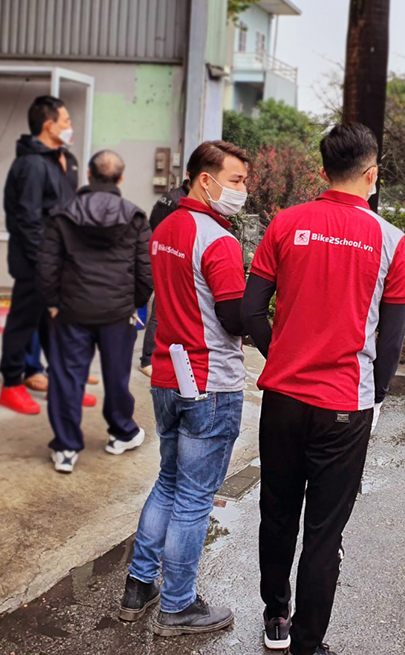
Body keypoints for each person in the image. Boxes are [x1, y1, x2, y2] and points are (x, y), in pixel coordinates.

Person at [243, 122, 405, 655]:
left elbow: (251, 310)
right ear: (372, 174)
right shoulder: (392, 241)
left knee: (278, 513)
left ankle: (276, 616)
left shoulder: (286, 224)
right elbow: (392, 338)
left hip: (282, 400)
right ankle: (308, 646)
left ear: (322, 171)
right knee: (324, 532)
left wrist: (281, 354)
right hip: (345, 404)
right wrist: (376, 394)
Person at [119, 141, 250, 638]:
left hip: (168, 377)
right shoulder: (218, 240)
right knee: (194, 498)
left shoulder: (166, 230)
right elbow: (232, 315)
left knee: (169, 482)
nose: (243, 190)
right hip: (209, 382)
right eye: (236, 180)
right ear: (204, 179)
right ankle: (178, 605)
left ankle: (139, 586)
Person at [37, 149, 153, 473]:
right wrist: (132, 303)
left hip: (72, 311)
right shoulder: (135, 216)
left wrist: (53, 303)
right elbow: (146, 272)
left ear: (88, 174)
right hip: (117, 313)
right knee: (117, 376)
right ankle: (122, 433)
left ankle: (65, 448)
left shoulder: (62, 214)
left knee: (66, 378)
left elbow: (46, 266)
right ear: (120, 178)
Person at [0, 95, 87, 415]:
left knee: (55, 325)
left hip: (59, 259)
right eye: (66, 121)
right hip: (34, 262)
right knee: (22, 322)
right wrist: (44, 262)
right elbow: (28, 220)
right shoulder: (32, 165)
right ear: (49, 126)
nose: (70, 126)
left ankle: (62, 385)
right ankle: (11, 384)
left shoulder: (61, 160)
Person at [138, 179, 188, 378]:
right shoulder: (173, 199)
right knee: (159, 312)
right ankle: (147, 360)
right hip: (166, 260)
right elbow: (156, 232)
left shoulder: (186, 198)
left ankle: (166, 357)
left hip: (177, 260)